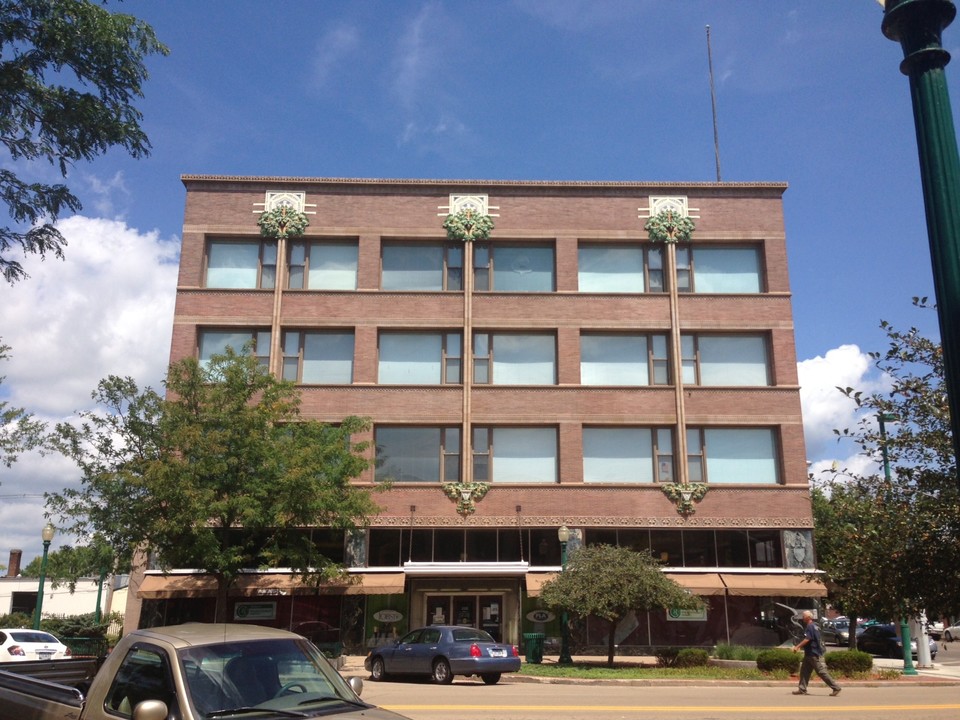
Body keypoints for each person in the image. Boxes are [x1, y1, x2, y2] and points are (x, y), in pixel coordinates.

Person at [792, 610, 841, 696]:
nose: (802, 618)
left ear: (808, 617)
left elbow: (807, 639)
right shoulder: (814, 626)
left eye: (803, 616)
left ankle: (835, 687)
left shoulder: (810, 626)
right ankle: (802, 689)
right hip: (809, 653)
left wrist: (797, 646)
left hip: (812, 653)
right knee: (804, 671)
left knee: (821, 671)